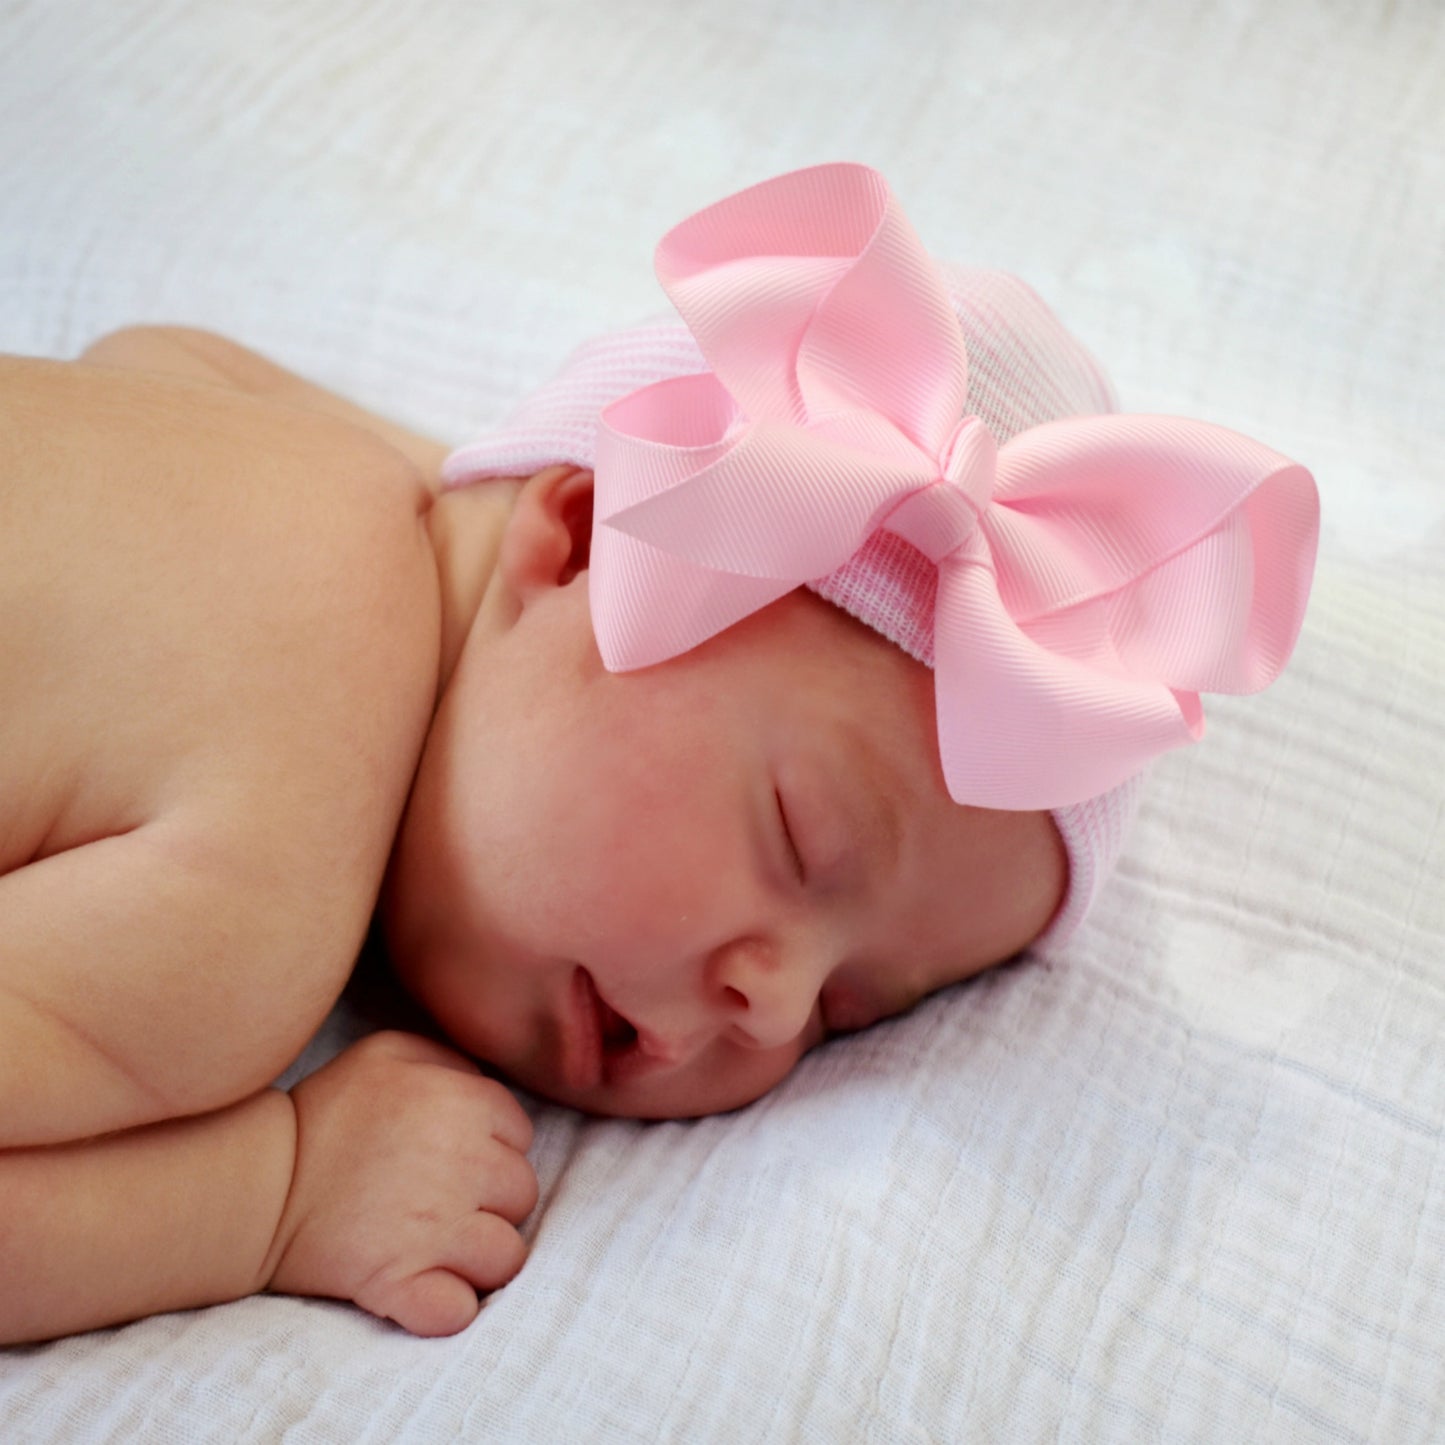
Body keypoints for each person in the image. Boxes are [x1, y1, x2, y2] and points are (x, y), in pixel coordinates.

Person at [0, 164, 1319, 1344]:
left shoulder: (273, 446)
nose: (774, 1001)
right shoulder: (255, 879)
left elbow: (149, 355)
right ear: (578, 545)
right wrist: (270, 1197)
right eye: (801, 838)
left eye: (852, 1009)